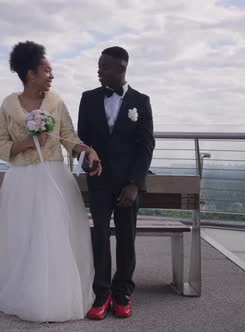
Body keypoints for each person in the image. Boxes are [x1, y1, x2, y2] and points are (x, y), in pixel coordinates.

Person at [0, 41, 102, 322]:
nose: (52, 75)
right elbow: (0, 145)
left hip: (55, 179)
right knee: (26, 236)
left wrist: (86, 150)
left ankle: (56, 295)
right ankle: (26, 290)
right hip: (22, 180)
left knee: (56, 235)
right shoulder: (9, 105)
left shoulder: (56, 102)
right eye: (47, 70)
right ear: (31, 73)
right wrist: (27, 143)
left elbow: (70, 136)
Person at [77, 46, 155, 320]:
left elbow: (146, 146)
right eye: (98, 66)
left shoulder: (141, 101)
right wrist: (86, 158)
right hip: (99, 182)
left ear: (121, 69)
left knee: (126, 238)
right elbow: (82, 140)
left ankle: (123, 292)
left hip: (128, 186)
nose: (99, 71)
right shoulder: (87, 98)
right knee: (99, 235)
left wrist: (135, 184)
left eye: (104, 66)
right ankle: (102, 293)